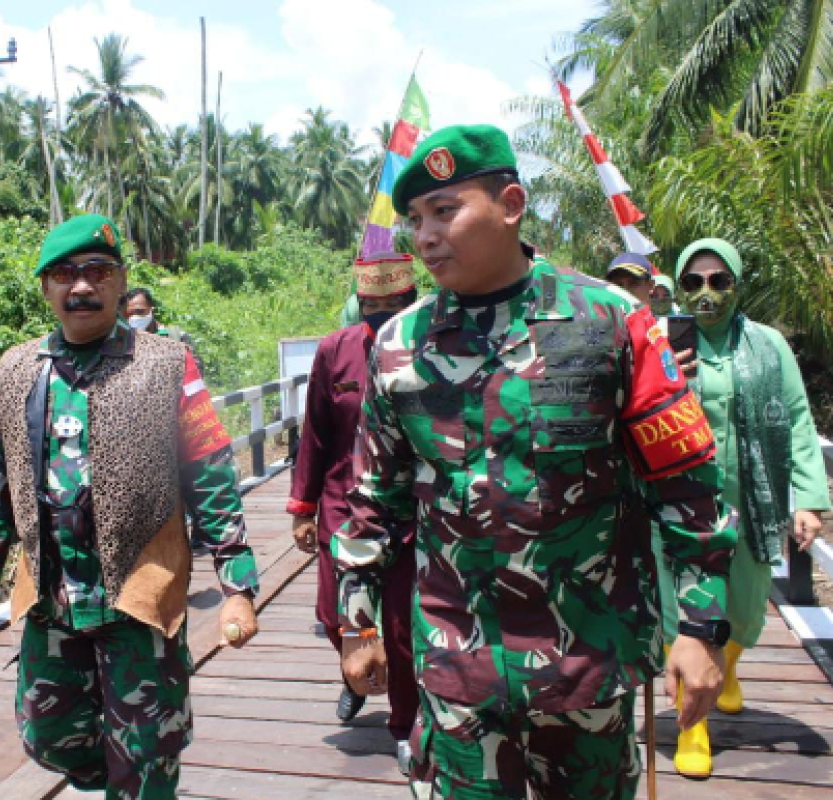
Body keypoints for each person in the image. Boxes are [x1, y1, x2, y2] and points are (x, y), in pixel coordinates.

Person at [331, 124, 737, 799]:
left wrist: (701, 626)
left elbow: (687, 484)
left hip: (587, 668)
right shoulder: (400, 344)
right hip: (457, 666)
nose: (423, 236)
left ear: (511, 204)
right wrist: (357, 621)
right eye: (415, 219)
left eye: (445, 211)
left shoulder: (611, 321)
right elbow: (375, 501)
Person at [0, 214, 260, 800]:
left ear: (120, 282)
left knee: (147, 761)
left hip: (139, 602)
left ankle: (137, 775)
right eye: (65, 274)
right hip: (53, 601)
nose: (81, 287)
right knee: (46, 735)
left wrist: (238, 584)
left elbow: (212, 476)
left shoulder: (168, 364)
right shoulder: (17, 369)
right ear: (45, 287)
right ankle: (116, 771)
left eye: (97, 272)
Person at [660, 237, 830, 778]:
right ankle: (692, 725)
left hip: (749, 500)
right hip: (677, 503)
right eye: (693, 282)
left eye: (718, 280)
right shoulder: (660, 341)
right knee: (680, 612)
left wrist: (808, 500)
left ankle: (727, 664)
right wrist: (669, 373)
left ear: (736, 283)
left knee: (747, 606)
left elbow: (799, 421)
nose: (706, 292)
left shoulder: (768, 345)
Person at [287, 253, 421, 774]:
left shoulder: (430, 348)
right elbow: (315, 433)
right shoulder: (334, 353)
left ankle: (405, 722)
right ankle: (357, 676)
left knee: (402, 625)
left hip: (408, 513)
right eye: (373, 304)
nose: (383, 314)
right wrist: (302, 506)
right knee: (338, 617)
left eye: (395, 304)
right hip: (343, 507)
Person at [121, 287, 205, 374]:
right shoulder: (123, 341)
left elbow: (196, 370)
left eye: (139, 312)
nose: (134, 318)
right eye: (129, 314)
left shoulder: (176, 336)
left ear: (152, 311)